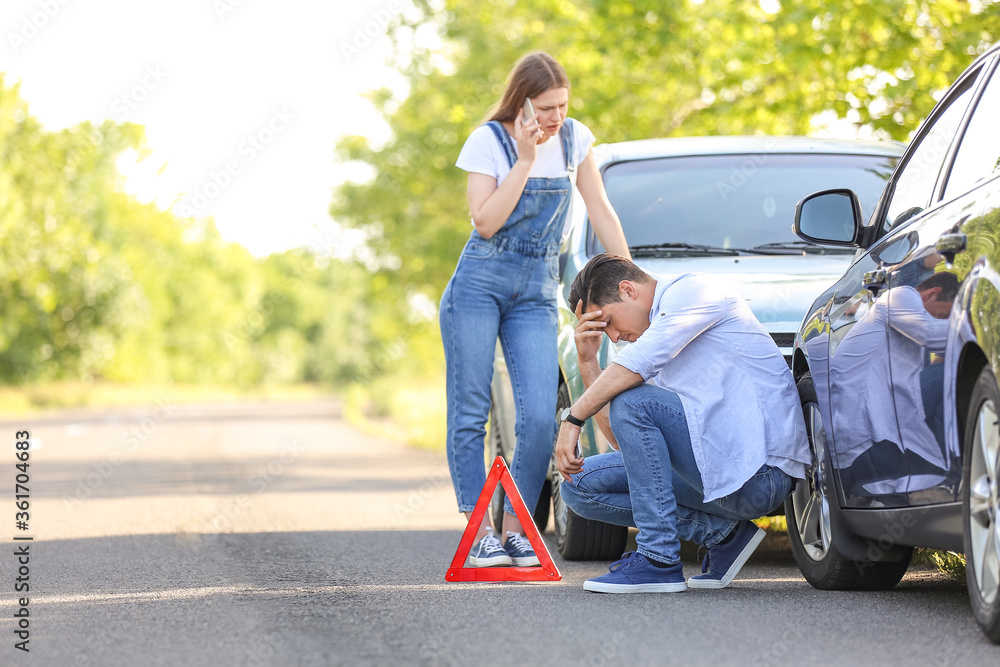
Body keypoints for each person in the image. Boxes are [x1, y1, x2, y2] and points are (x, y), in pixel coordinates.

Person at [440, 52, 630, 567]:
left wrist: (629, 275)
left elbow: (600, 210)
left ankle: (516, 528)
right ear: (521, 100)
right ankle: (479, 532)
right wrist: (524, 160)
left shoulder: (575, 139)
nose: (555, 117)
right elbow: (485, 222)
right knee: (470, 413)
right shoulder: (489, 141)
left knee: (541, 417)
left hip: (536, 292)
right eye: (546, 107)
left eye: (562, 105)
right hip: (478, 286)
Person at [553, 253, 809, 592]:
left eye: (611, 322)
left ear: (628, 290)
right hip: (714, 470)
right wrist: (587, 362)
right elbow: (626, 443)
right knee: (578, 484)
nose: (613, 338)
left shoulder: (693, 292)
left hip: (760, 474)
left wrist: (573, 419)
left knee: (632, 400)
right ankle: (723, 535)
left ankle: (658, 559)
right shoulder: (649, 337)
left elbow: (633, 395)